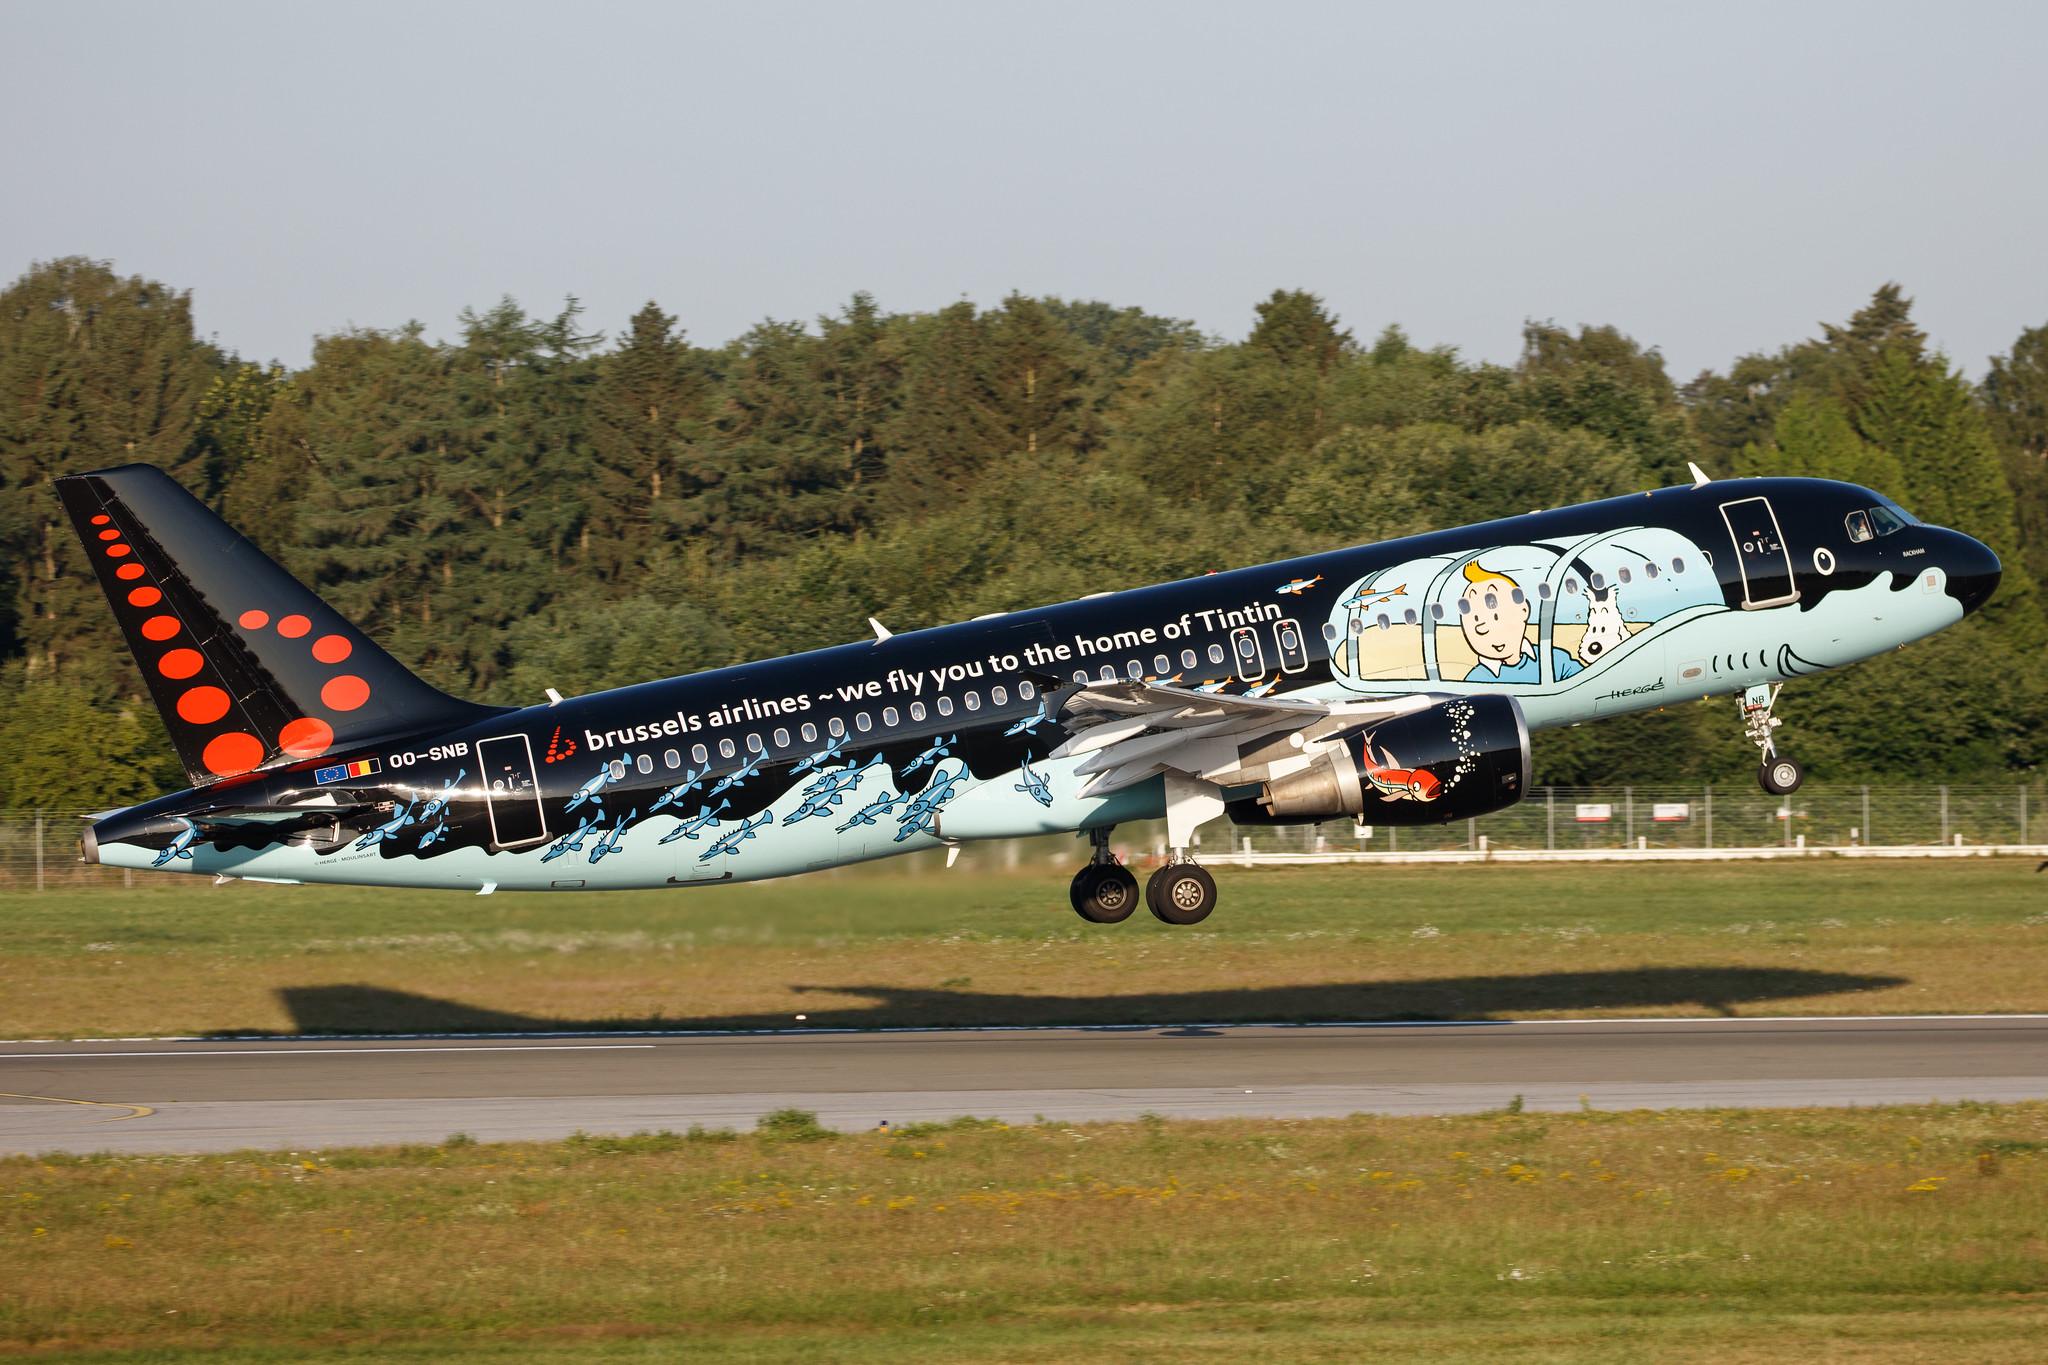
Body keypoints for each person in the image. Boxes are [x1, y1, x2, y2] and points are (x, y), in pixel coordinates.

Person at [1457, 560, 1584, 684]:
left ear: (1524, 610)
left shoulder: (1555, 659)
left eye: (1495, 616)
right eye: (1476, 619)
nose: (1482, 628)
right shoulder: (1475, 680)